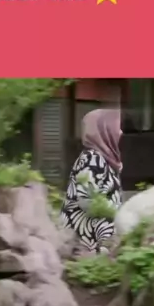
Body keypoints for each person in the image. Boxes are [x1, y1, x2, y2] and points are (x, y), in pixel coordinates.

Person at [61, 108, 123, 251]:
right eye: (116, 127)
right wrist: (117, 212)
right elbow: (85, 200)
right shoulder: (92, 159)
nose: (121, 132)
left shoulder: (101, 159)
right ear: (103, 131)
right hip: (88, 244)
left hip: (94, 243)